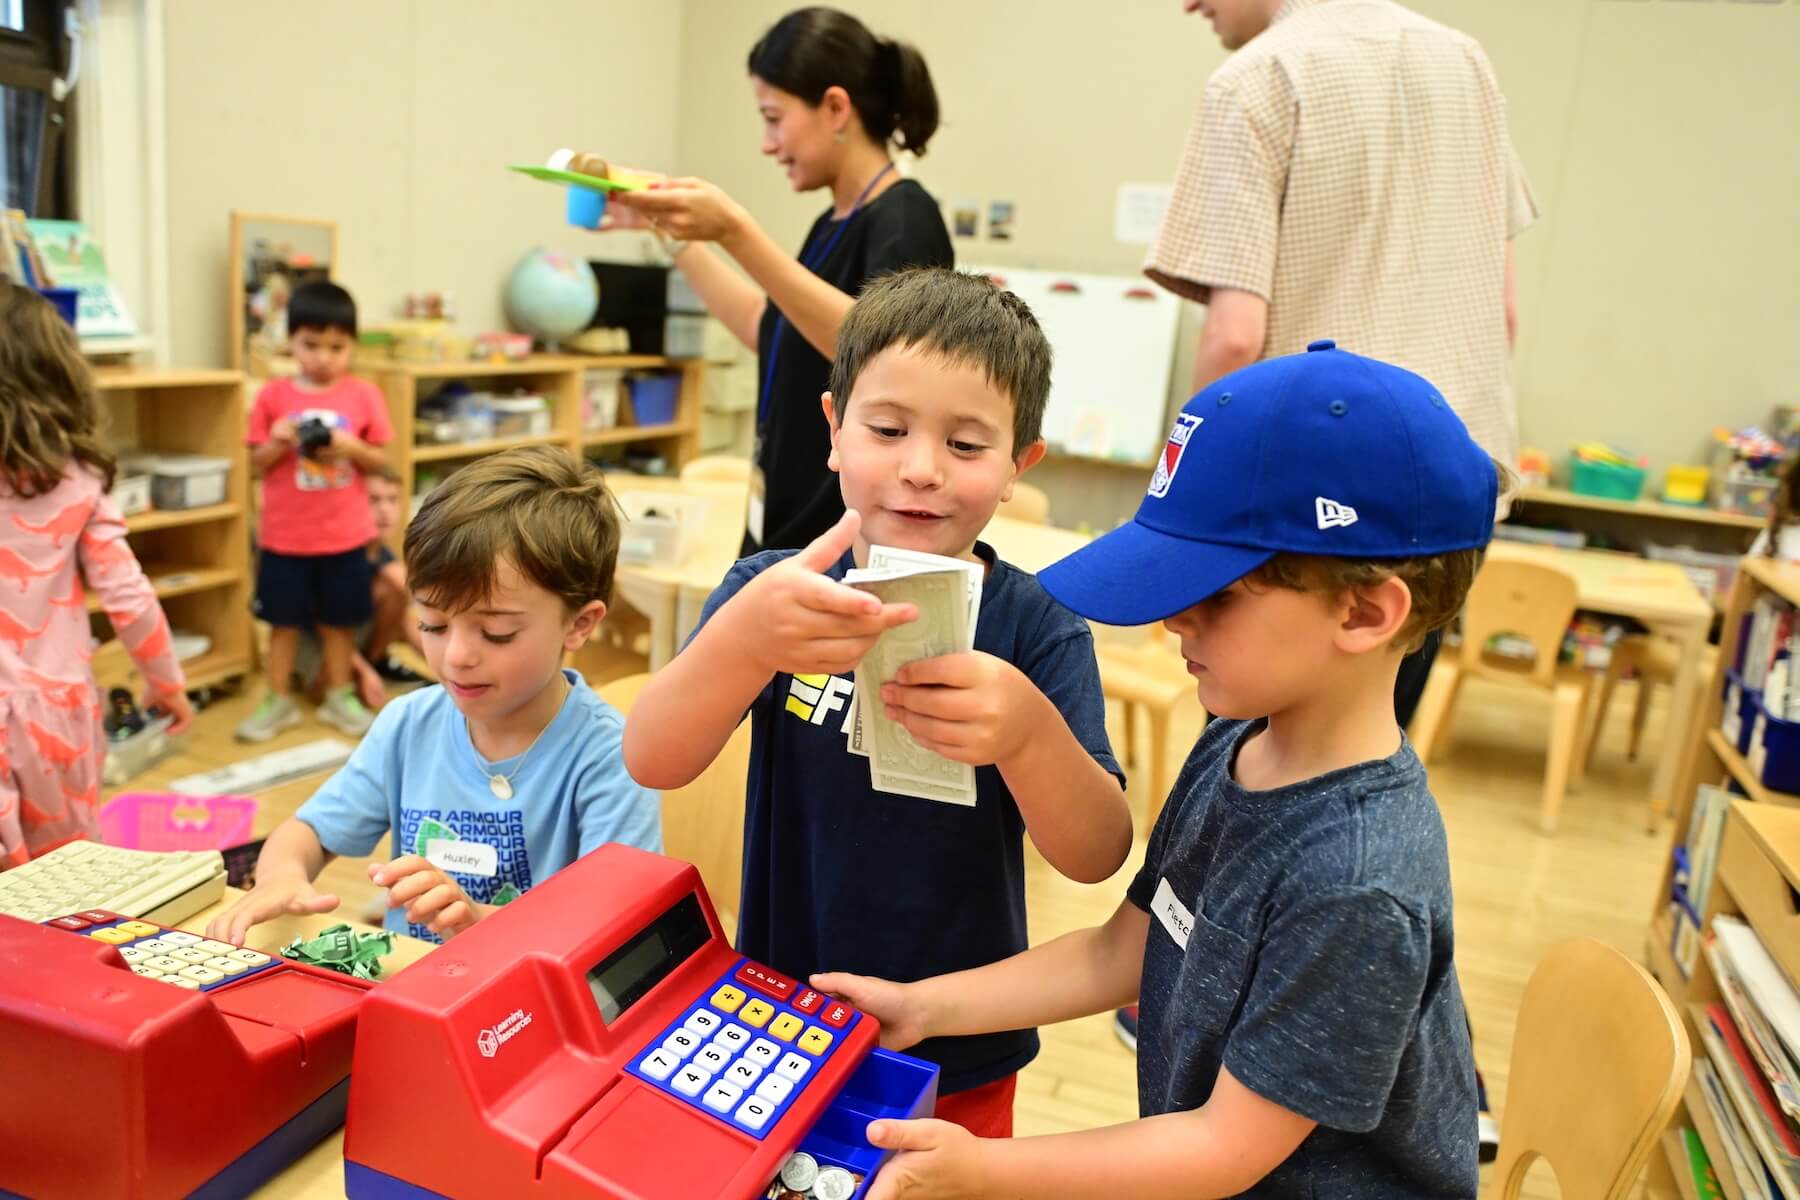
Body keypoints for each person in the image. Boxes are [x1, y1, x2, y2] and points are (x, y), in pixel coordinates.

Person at [816, 342, 1501, 1198]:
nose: (1174, 616)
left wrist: (979, 1169)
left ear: (1364, 612)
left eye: (1214, 592)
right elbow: (1126, 949)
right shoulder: (1241, 735)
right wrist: (928, 1007)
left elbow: (1222, 1149)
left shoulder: (1358, 886)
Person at [1132, 2, 1536, 1136]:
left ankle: (1284, 1048)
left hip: (1290, 504)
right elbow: (1499, 309)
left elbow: (1232, 333)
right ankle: (1348, 1039)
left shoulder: (1261, 78)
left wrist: (1187, 509)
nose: (1189, 4)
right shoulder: (1469, 61)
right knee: (1343, 767)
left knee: (1300, 798)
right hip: (1445, 488)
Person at [624, 269, 1131, 1137]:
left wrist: (1027, 732)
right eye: (888, 429)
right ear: (833, 429)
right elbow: (654, 758)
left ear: (1020, 465)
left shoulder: (1036, 627)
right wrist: (743, 641)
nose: (921, 470)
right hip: (779, 1019)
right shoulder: (773, 593)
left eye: (967, 447)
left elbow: (1096, 853)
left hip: (960, 1042)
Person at [207, 447, 660, 945]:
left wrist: (478, 922)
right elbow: (306, 834)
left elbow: (615, 932)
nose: (456, 656)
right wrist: (282, 877)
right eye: (434, 624)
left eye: (497, 633)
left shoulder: (612, 755)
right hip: (417, 993)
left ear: (579, 623)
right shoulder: (409, 724)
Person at [609, 6, 953, 554]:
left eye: (773, 117)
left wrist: (736, 231)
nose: (768, 144)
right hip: (782, 524)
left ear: (836, 108)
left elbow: (881, 354)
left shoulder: (905, 218)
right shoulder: (831, 222)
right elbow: (767, 326)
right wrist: (673, 234)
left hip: (840, 541)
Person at [0, 278, 193, 866]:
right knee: (64, 883)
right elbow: (129, 598)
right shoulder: (78, 481)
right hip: (50, 719)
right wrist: (167, 685)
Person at [237, 280, 393, 742]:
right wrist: (277, 442)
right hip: (284, 537)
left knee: (339, 623)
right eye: (311, 344)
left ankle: (339, 696)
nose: (324, 357)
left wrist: (351, 447)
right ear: (291, 342)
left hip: (344, 536)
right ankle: (277, 698)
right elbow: (255, 464)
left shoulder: (364, 395)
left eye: (336, 346)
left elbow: (381, 459)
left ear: (352, 346)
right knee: (281, 625)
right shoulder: (272, 397)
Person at [292, 467, 428, 710]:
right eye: (373, 500)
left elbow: (408, 619)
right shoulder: (334, 554)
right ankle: (354, 672)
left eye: (392, 500)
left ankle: (375, 663)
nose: (385, 510)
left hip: (350, 640)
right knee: (337, 689)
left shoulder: (380, 550)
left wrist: (447, 669)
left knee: (397, 588)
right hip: (316, 639)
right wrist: (362, 672)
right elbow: (327, 628)